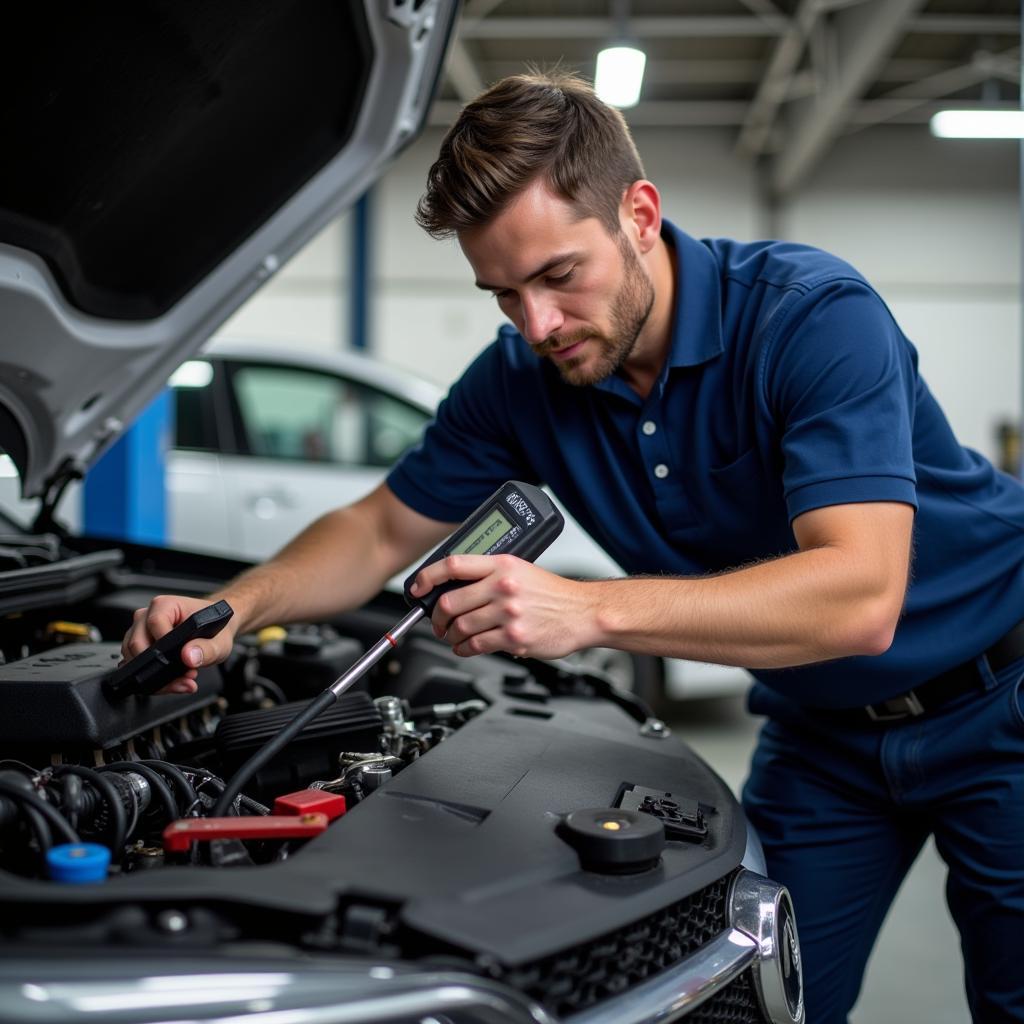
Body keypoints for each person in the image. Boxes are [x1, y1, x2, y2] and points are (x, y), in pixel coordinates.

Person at [123, 69, 1024, 1022]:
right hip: (823, 741)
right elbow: (379, 527)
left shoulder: (810, 317)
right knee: (759, 1006)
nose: (537, 325)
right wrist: (235, 608)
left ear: (639, 214)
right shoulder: (521, 379)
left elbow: (861, 596)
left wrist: (585, 609)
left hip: (999, 704)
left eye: (558, 276)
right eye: (503, 293)